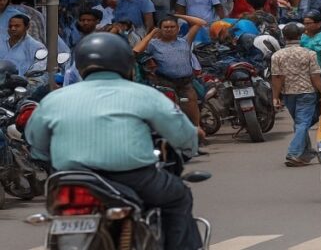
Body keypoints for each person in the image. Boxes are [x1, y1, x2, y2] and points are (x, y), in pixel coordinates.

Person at [25, 33, 203, 250]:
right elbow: (181, 132)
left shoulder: (55, 99)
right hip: (133, 177)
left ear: (80, 64)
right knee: (178, 197)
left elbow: (36, 144)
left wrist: (48, 159)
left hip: (69, 180)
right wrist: (190, 146)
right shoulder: (144, 94)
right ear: (126, 64)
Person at [133, 14, 207, 129]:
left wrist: (176, 15)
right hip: (165, 82)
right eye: (166, 27)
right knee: (171, 110)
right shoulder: (153, 44)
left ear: (177, 28)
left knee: (192, 106)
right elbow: (136, 50)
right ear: (160, 29)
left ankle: (197, 130)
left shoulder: (185, 41)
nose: (169, 29)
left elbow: (200, 22)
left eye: (172, 27)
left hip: (186, 82)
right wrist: (152, 33)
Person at [271, 23, 321, 167]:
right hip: (307, 93)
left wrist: (275, 97)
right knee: (302, 123)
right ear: (300, 36)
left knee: (300, 123)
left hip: (289, 94)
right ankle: (294, 153)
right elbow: (315, 76)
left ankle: (306, 152)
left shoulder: (277, 55)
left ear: (284, 37)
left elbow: (277, 78)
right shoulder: (309, 54)